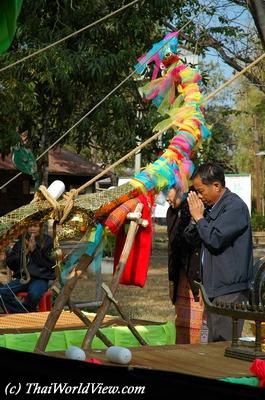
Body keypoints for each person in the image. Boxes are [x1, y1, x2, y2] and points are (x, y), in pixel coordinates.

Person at [186, 162, 253, 342]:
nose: (199, 196)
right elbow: (191, 239)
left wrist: (199, 218)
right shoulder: (211, 209)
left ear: (216, 185)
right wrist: (195, 219)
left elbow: (215, 240)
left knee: (223, 344)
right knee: (214, 343)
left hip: (230, 291)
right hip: (214, 288)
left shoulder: (234, 207)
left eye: (201, 191)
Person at [166, 185, 203, 344]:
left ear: (181, 189)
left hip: (195, 274)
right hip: (180, 273)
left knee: (198, 324)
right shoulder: (172, 212)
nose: (166, 198)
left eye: (168, 191)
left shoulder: (196, 211)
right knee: (182, 321)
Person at [0, 222, 55, 313]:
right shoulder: (20, 242)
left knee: (34, 295)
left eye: (35, 226)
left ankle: (25, 311)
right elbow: (11, 263)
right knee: (1, 293)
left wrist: (34, 250)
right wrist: (25, 252)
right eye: (30, 226)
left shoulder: (48, 241)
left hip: (40, 278)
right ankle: (24, 312)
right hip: (23, 278)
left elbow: (50, 264)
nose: (32, 228)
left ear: (40, 227)